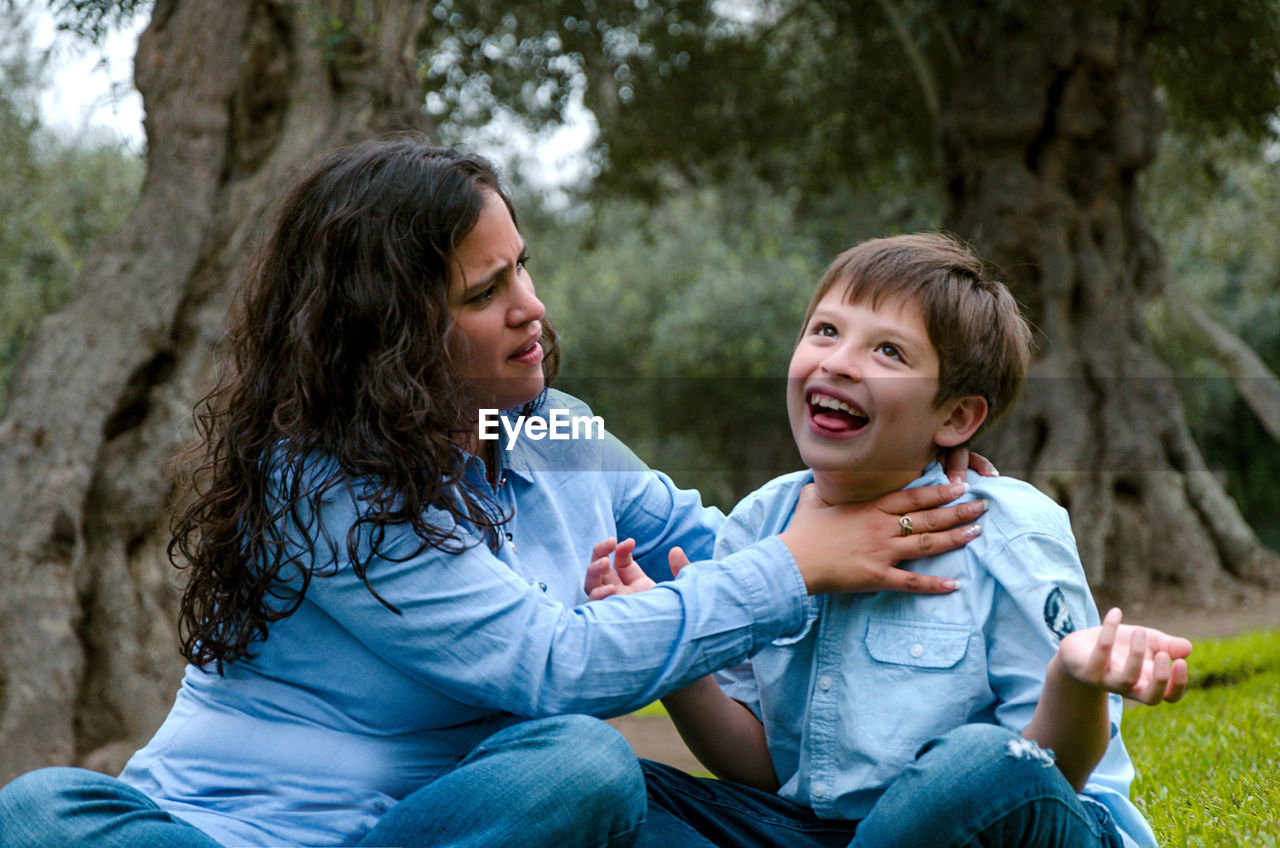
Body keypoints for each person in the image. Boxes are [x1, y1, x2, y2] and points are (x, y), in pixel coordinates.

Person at [0, 140, 994, 848]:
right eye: (484, 294)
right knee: (41, 808)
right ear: (388, 334)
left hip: (454, 820)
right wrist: (796, 565)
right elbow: (549, 661)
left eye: (520, 267)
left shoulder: (547, 423)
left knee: (584, 773)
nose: (532, 308)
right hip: (219, 828)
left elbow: (700, 535)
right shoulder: (321, 481)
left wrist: (897, 479)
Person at [584, 234, 1192, 848]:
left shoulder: (1005, 530)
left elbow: (1041, 779)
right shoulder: (759, 526)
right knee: (602, 784)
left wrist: (1074, 677)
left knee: (982, 762)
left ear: (955, 417)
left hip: (1017, 823)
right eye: (825, 331)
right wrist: (680, 664)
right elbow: (764, 774)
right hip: (825, 832)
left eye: (889, 352)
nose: (840, 361)